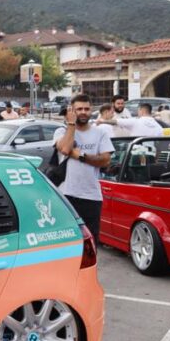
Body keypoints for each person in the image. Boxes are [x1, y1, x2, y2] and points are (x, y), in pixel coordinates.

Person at [54, 94, 113, 240]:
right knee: (67, 241)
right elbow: (65, 149)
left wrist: (81, 156)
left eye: (86, 109)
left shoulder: (100, 133)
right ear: (72, 111)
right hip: (66, 194)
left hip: (91, 196)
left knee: (90, 240)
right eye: (79, 109)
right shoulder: (61, 131)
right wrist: (71, 124)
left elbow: (105, 160)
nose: (83, 112)